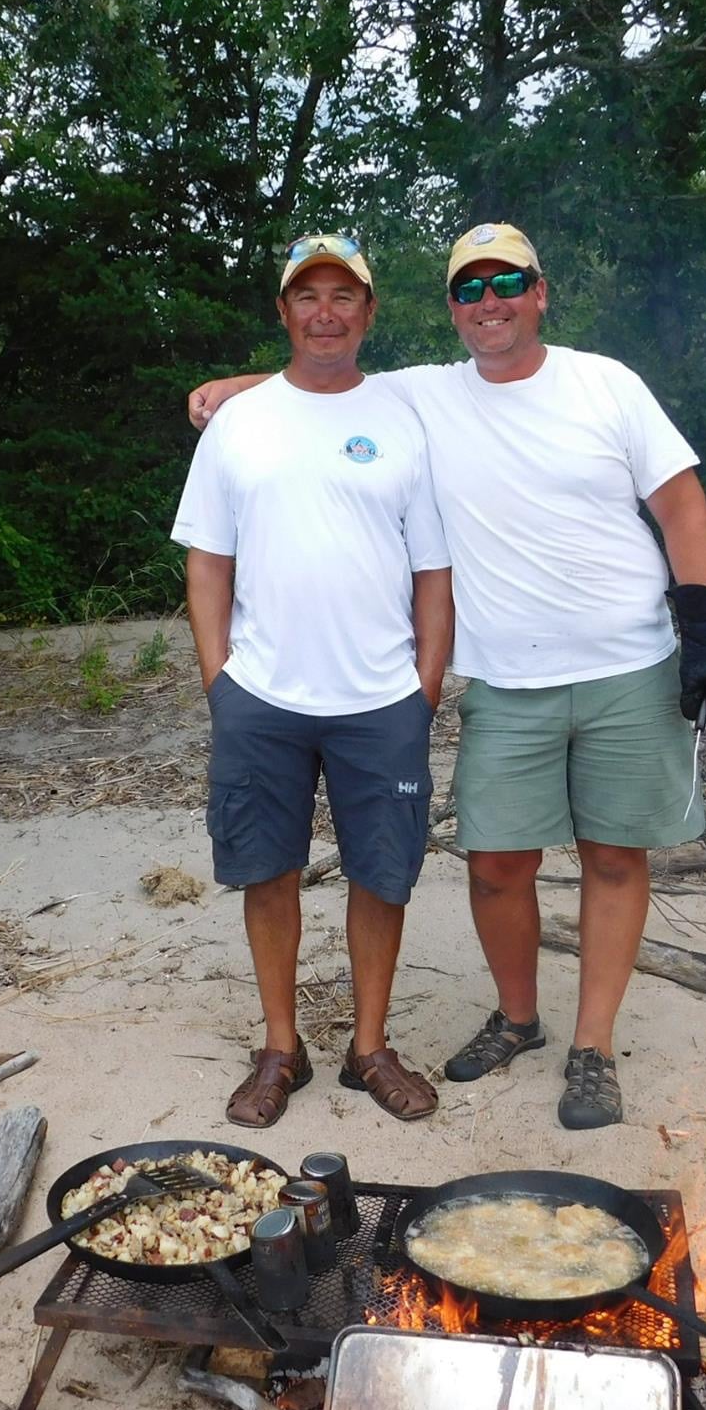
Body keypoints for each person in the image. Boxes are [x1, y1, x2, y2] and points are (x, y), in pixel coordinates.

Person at [188, 223, 706, 1130]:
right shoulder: (428, 394)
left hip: (629, 659)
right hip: (504, 676)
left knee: (614, 855)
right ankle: (517, 1019)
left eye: (508, 283)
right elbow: (323, 381)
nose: (490, 302)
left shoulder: (606, 384)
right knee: (494, 864)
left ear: (540, 292)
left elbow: (681, 505)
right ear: (452, 308)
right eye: (470, 288)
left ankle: (592, 1048)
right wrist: (231, 388)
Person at [173, 232, 454, 1129]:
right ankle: (280, 1049)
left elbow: (433, 570)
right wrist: (220, 681)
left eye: (343, 296)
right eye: (307, 295)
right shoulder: (240, 424)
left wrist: (425, 687)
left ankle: (370, 1050)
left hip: (382, 699)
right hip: (262, 697)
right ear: (284, 310)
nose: (325, 313)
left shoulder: (405, 417)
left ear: (369, 311)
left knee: (383, 876)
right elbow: (207, 561)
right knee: (269, 872)